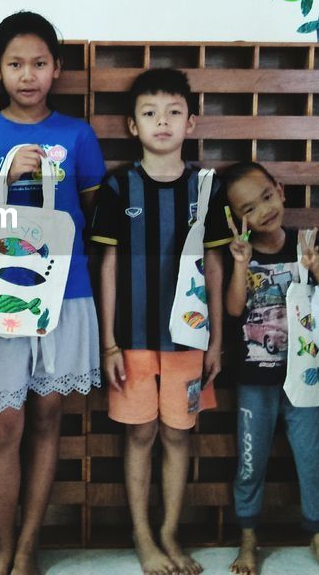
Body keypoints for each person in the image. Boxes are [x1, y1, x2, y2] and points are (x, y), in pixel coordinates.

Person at [0, 11, 106, 575]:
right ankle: (1, 544)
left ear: (58, 69)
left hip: (67, 293)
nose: (28, 74)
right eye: (15, 63)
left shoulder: (77, 134)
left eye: (39, 63)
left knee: (46, 418)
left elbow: (95, 216)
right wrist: (3, 181)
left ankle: (28, 547)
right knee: (1, 424)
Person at [90, 68, 230, 575]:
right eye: (150, 113)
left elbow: (215, 266)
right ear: (133, 126)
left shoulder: (206, 188)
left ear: (191, 122)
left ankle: (170, 530)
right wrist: (107, 343)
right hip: (131, 340)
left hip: (189, 342)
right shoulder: (116, 186)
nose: (162, 122)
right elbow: (105, 265)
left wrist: (216, 339)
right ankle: (142, 535)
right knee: (140, 434)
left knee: (178, 435)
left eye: (174, 112)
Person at [222, 161, 319, 575]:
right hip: (254, 378)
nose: (262, 210)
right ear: (236, 218)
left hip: (305, 376)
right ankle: (248, 540)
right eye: (248, 209)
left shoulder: (305, 242)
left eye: (266, 196)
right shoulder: (237, 254)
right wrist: (241, 265)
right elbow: (234, 309)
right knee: (250, 460)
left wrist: (315, 267)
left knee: (310, 457)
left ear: (280, 190)